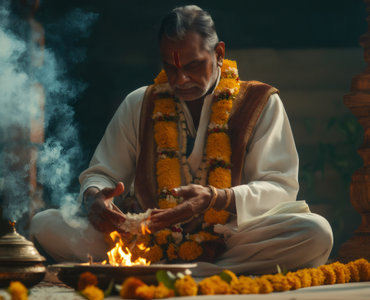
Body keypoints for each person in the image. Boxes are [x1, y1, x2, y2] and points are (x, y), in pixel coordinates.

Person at [31, 5, 333, 275]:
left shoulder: (260, 102)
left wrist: (215, 199)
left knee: (315, 232)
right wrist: (95, 197)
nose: (180, 80)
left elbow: (280, 188)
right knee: (46, 224)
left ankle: (181, 272)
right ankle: (195, 272)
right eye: (170, 67)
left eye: (192, 66)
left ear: (219, 54)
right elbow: (101, 172)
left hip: (231, 238)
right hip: (145, 240)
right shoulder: (140, 103)